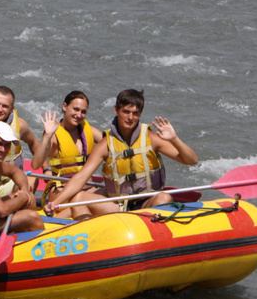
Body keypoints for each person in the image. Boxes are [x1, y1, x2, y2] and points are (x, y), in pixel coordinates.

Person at [45, 89, 198, 216]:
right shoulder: (105, 145)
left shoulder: (151, 139)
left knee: (164, 197)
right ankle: (93, 239)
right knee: (78, 198)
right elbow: (81, 177)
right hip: (118, 208)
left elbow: (191, 160)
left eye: (135, 113)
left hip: (147, 203)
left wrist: (175, 139)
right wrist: (56, 203)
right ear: (116, 109)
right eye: (126, 112)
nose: (130, 118)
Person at [29, 91, 109, 219]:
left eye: (83, 111)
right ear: (65, 107)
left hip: (88, 189)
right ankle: (55, 218)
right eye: (75, 109)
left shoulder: (89, 130)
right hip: (61, 192)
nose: (79, 115)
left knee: (110, 194)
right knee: (84, 203)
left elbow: (113, 147)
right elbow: (36, 164)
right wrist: (47, 136)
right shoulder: (54, 134)